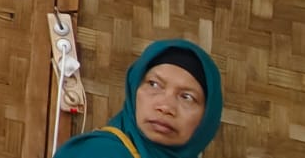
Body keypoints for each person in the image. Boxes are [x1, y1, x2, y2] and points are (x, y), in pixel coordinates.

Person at [53, 39, 223, 158]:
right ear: (134, 90)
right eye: (154, 85)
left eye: (187, 97)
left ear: (207, 117)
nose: (165, 107)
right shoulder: (98, 153)